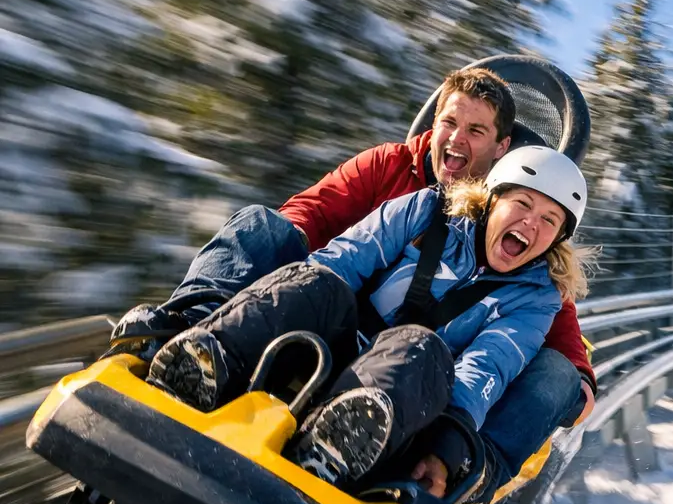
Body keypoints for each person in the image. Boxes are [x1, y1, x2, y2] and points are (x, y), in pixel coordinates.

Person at [110, 66, 594, 472]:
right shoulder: (402, 181)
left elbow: (536, 322)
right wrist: (288, 279)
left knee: (422, 348)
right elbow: (318, 227)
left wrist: (575, 372)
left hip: (411, 372)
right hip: (338, 324)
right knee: (267, 229)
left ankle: (368, 446)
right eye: (450, 123)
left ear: (500, 150)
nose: (456, 139)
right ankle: (196, 338)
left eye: (476, 131)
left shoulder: (533, 275)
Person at [146, 145, 587, 496]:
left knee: (422, 346)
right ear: (491, 199)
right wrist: (300, 300)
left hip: (407, 389)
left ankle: (335, 446)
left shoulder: (536, 296)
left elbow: (490, 363)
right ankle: (208, 360)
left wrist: (451, 440)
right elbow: (346, 258)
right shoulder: (427, 211)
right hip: (334, 347)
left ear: (557, 238)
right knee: (321, 282)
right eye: (522, 203)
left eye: (549, 220)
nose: (531, 223)